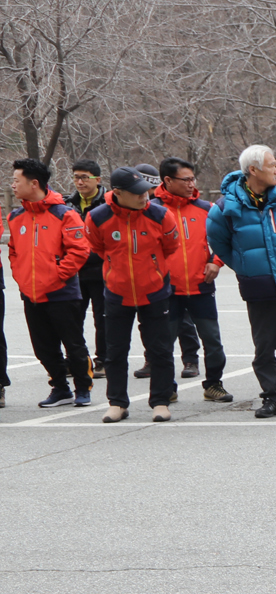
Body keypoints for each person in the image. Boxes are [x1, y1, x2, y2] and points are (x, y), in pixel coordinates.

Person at [210, 145, 276, 419]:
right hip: (258, 287)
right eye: (271, 165)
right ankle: (271, 396)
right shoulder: (225, 206)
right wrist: (246, 266)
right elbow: (219, 244)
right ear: (253, 170)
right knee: (264, 345)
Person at [85, 165, 181, 423]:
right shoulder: (97, 217)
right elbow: (98, 247)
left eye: (146, 191)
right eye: (137, 193)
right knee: (115, 351)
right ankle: (117, 403)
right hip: (117, 292)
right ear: (118, 192)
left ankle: (160, 402)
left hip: (155, 290)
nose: (144, 196)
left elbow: (171, 246)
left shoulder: (161, 215)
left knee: (160, 349)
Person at [9, 158, 94, 409]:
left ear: (34, 183)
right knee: (43, 347)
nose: (12, 185)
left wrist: (57, 275)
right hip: (31, 293)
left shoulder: (64, 213)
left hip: (62, 292)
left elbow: (79, 251)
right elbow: (13, 252)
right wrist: (22, 276)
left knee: (73, 343)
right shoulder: (16, 216)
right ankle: (60, 388)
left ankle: (82, 388)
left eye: (16, 180)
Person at [154, 158, 230, 403]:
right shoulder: (153, 210)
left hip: (201, 286)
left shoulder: (207, 208)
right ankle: (167, 388)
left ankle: (214, 385)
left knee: (213, 341)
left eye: (192, 179)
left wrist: (216, 262)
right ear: (167, 181)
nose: (191, 184)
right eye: (185, 180)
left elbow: (225, 238)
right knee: (163, 343)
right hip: (167, 289)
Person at [68, 160, 109, 376]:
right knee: (73, 318)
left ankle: (103, 359)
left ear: (98, 180)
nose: (80, 182)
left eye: (85, 177)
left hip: (102, 271)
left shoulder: (109, 203)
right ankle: (76, 359)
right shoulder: (68, 204)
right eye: (76, 177)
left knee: (103, 318)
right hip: (76, 272)